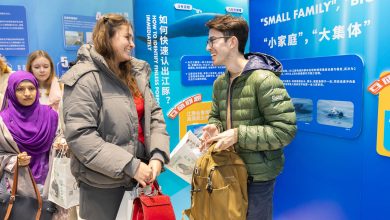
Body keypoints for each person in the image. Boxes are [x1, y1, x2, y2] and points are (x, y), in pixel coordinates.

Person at [61, 13, 170, 220]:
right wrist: (131, 165)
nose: (132, 44)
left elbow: (154, 117)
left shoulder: (135, 74)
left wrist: (158, 156)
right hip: (102, 188)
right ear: (108, 39)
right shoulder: (85, 79)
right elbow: (81, 136)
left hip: (141, 179)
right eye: (126, 38)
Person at [200, 15, 297, 220]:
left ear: (232, 42)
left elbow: (285, 131)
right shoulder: (220, 83)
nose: (208, 47)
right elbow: (216, 115)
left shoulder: (264, 79)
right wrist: (214, 127)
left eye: (212, 40)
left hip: (257, 178)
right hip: (227, 169)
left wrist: (237, 135)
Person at [0, 70, 58, 198]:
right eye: (20, 89)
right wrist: (14, 161)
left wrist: (61, 144)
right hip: (16, 188)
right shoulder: (2, 121)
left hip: (49, 185)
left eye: (31, 88)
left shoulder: (51, 115)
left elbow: (59, 140)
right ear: (11, 91)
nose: (27, 93)